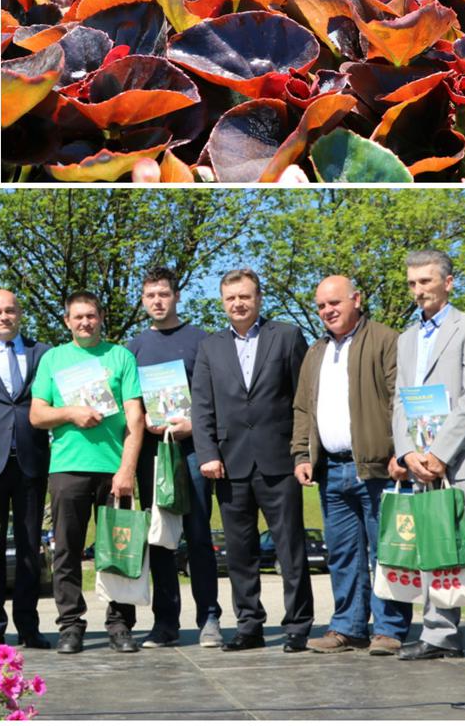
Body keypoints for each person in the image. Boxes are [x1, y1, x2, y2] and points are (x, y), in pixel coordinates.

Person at [392, 250, 465, 668]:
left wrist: (440, 452)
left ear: (448, 282)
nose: (418, 290)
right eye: (412, 283)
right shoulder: (406, 338)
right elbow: (401, 403)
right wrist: (408, 452)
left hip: (464, 462)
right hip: (421, 463)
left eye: (425, 281)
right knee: (433, 552)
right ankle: (439, 633)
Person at [191, 269, 314, 653]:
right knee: (240, 552)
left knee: (290, 548)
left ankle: (297, 625)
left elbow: (304, 399)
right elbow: (202, 407)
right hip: (230, 465)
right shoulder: (210, 348)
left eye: (244, 296)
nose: (238, 304)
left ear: (258, 298)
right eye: (230, 298)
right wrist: (208, 455)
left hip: (280, 462)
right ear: (222, 303)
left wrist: (303, 452)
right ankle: (249, 624)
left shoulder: (288, 337)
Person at [290, 274, 412, 656]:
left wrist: (402, 451)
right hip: (331, 470)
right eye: (322, 306)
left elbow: (400, 399)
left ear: (356, 299)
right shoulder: (316, 352)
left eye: (335, 303)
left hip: (379, 468)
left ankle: (389, 629)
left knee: (386, 552)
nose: (328, 311)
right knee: (343, 554)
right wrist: (301, 455)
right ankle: (349, 627)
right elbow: (303, 409)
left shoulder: (385, 339)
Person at [29, 292, 146, 654]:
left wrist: (127, 469)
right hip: (67, 468)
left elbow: (136, 417)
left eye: (91, 316)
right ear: (67, 321)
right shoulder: (53, 359)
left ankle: (120, 624)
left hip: (114, 469)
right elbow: (37, 415)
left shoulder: (120, 356)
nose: (85, 322)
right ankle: (70, 625)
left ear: (101, 318)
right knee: (67, 550)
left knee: (120, 550)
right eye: (78, 317)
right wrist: (71, 413)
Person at [124, 269, 222, 649]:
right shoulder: (134, 348)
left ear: (176, 296)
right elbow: (128, 403)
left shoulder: (202, 341)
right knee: (161, 540)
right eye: (150, 295)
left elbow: (214, 398)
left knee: (198, 538)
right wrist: (143, 420)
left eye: (163, 294)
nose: (157, 301)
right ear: (144, 299)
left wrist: (193, 425)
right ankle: (165, 623)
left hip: (193, 454)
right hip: (152, 456)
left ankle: (208, 618)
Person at [0, 290, 51, 648]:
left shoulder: (43, 354)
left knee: (31, 546)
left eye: (10, 310)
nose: (4, 316)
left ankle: (28, 624)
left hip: (32, 460)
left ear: (20, 314)